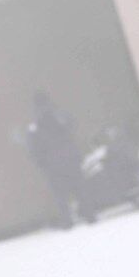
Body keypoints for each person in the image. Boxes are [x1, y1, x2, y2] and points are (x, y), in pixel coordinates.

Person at [25, 91, 90, 228]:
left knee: (61, 194)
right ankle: (88, 214)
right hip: (69, 159)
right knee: (79, 188)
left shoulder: (35, 124)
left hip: (53, 164)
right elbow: (71, 125)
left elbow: (33, 147)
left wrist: (41, 163)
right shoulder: (58, 116)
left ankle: (68, 220)